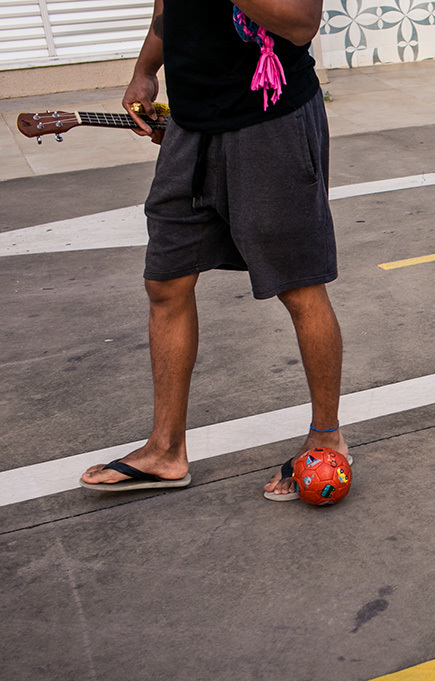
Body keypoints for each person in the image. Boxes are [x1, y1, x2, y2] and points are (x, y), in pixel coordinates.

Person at [79, 0, 348, 501]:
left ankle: (327, 437)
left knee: (299, 286)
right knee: (165, 281)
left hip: (270, 119)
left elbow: (301, 22)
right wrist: (144, 70)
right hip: (190, 125)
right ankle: (165, 450)